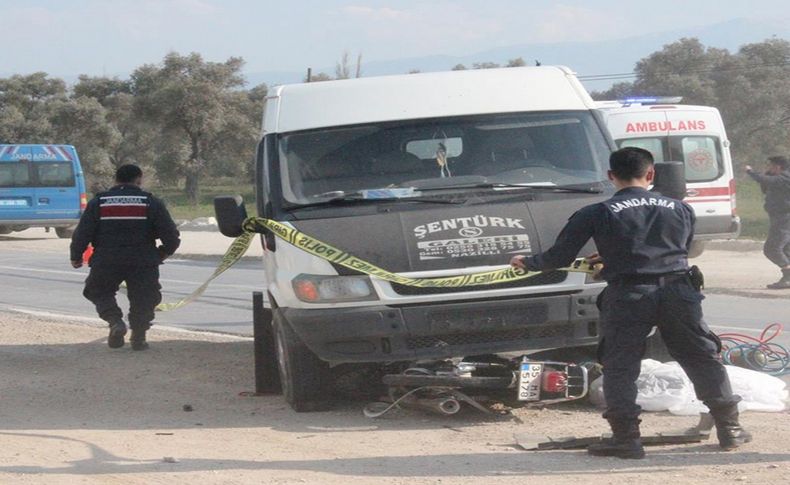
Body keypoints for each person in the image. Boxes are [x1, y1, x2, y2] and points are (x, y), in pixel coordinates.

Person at [510, 147, 751, 459]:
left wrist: (526, 262)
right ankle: (729, 429)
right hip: (680, 292)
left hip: (629, 295)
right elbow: (676, 249)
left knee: (621, 366)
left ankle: (626, 439)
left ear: (611, 176)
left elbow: (559, 257)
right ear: (650, 174)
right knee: (702, 358)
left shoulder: (596, 212)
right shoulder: (680, 208)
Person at [70, 164, 180, 350]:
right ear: (139, 179)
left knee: (98, 291)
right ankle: (139, 336)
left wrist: (76, 256)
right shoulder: (151, 202)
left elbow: (82, 233)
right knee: (144, 298)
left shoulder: (99, 202)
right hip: (143, 261)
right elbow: (171, 236)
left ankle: (114, 322)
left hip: (106, 259)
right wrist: (161, 253)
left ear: (116, 179)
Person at [745, 156, 790, 289]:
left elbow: (764, 179)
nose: (769, 168)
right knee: (785, 249)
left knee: (772, 249)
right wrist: (767, 174)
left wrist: (750, 171)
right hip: (780, 218)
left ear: (778, 167)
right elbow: (765, 185)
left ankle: (788, 275)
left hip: (784, 218)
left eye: (771, 166)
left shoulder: (785, 178)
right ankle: (787, 278)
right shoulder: (779, 179)